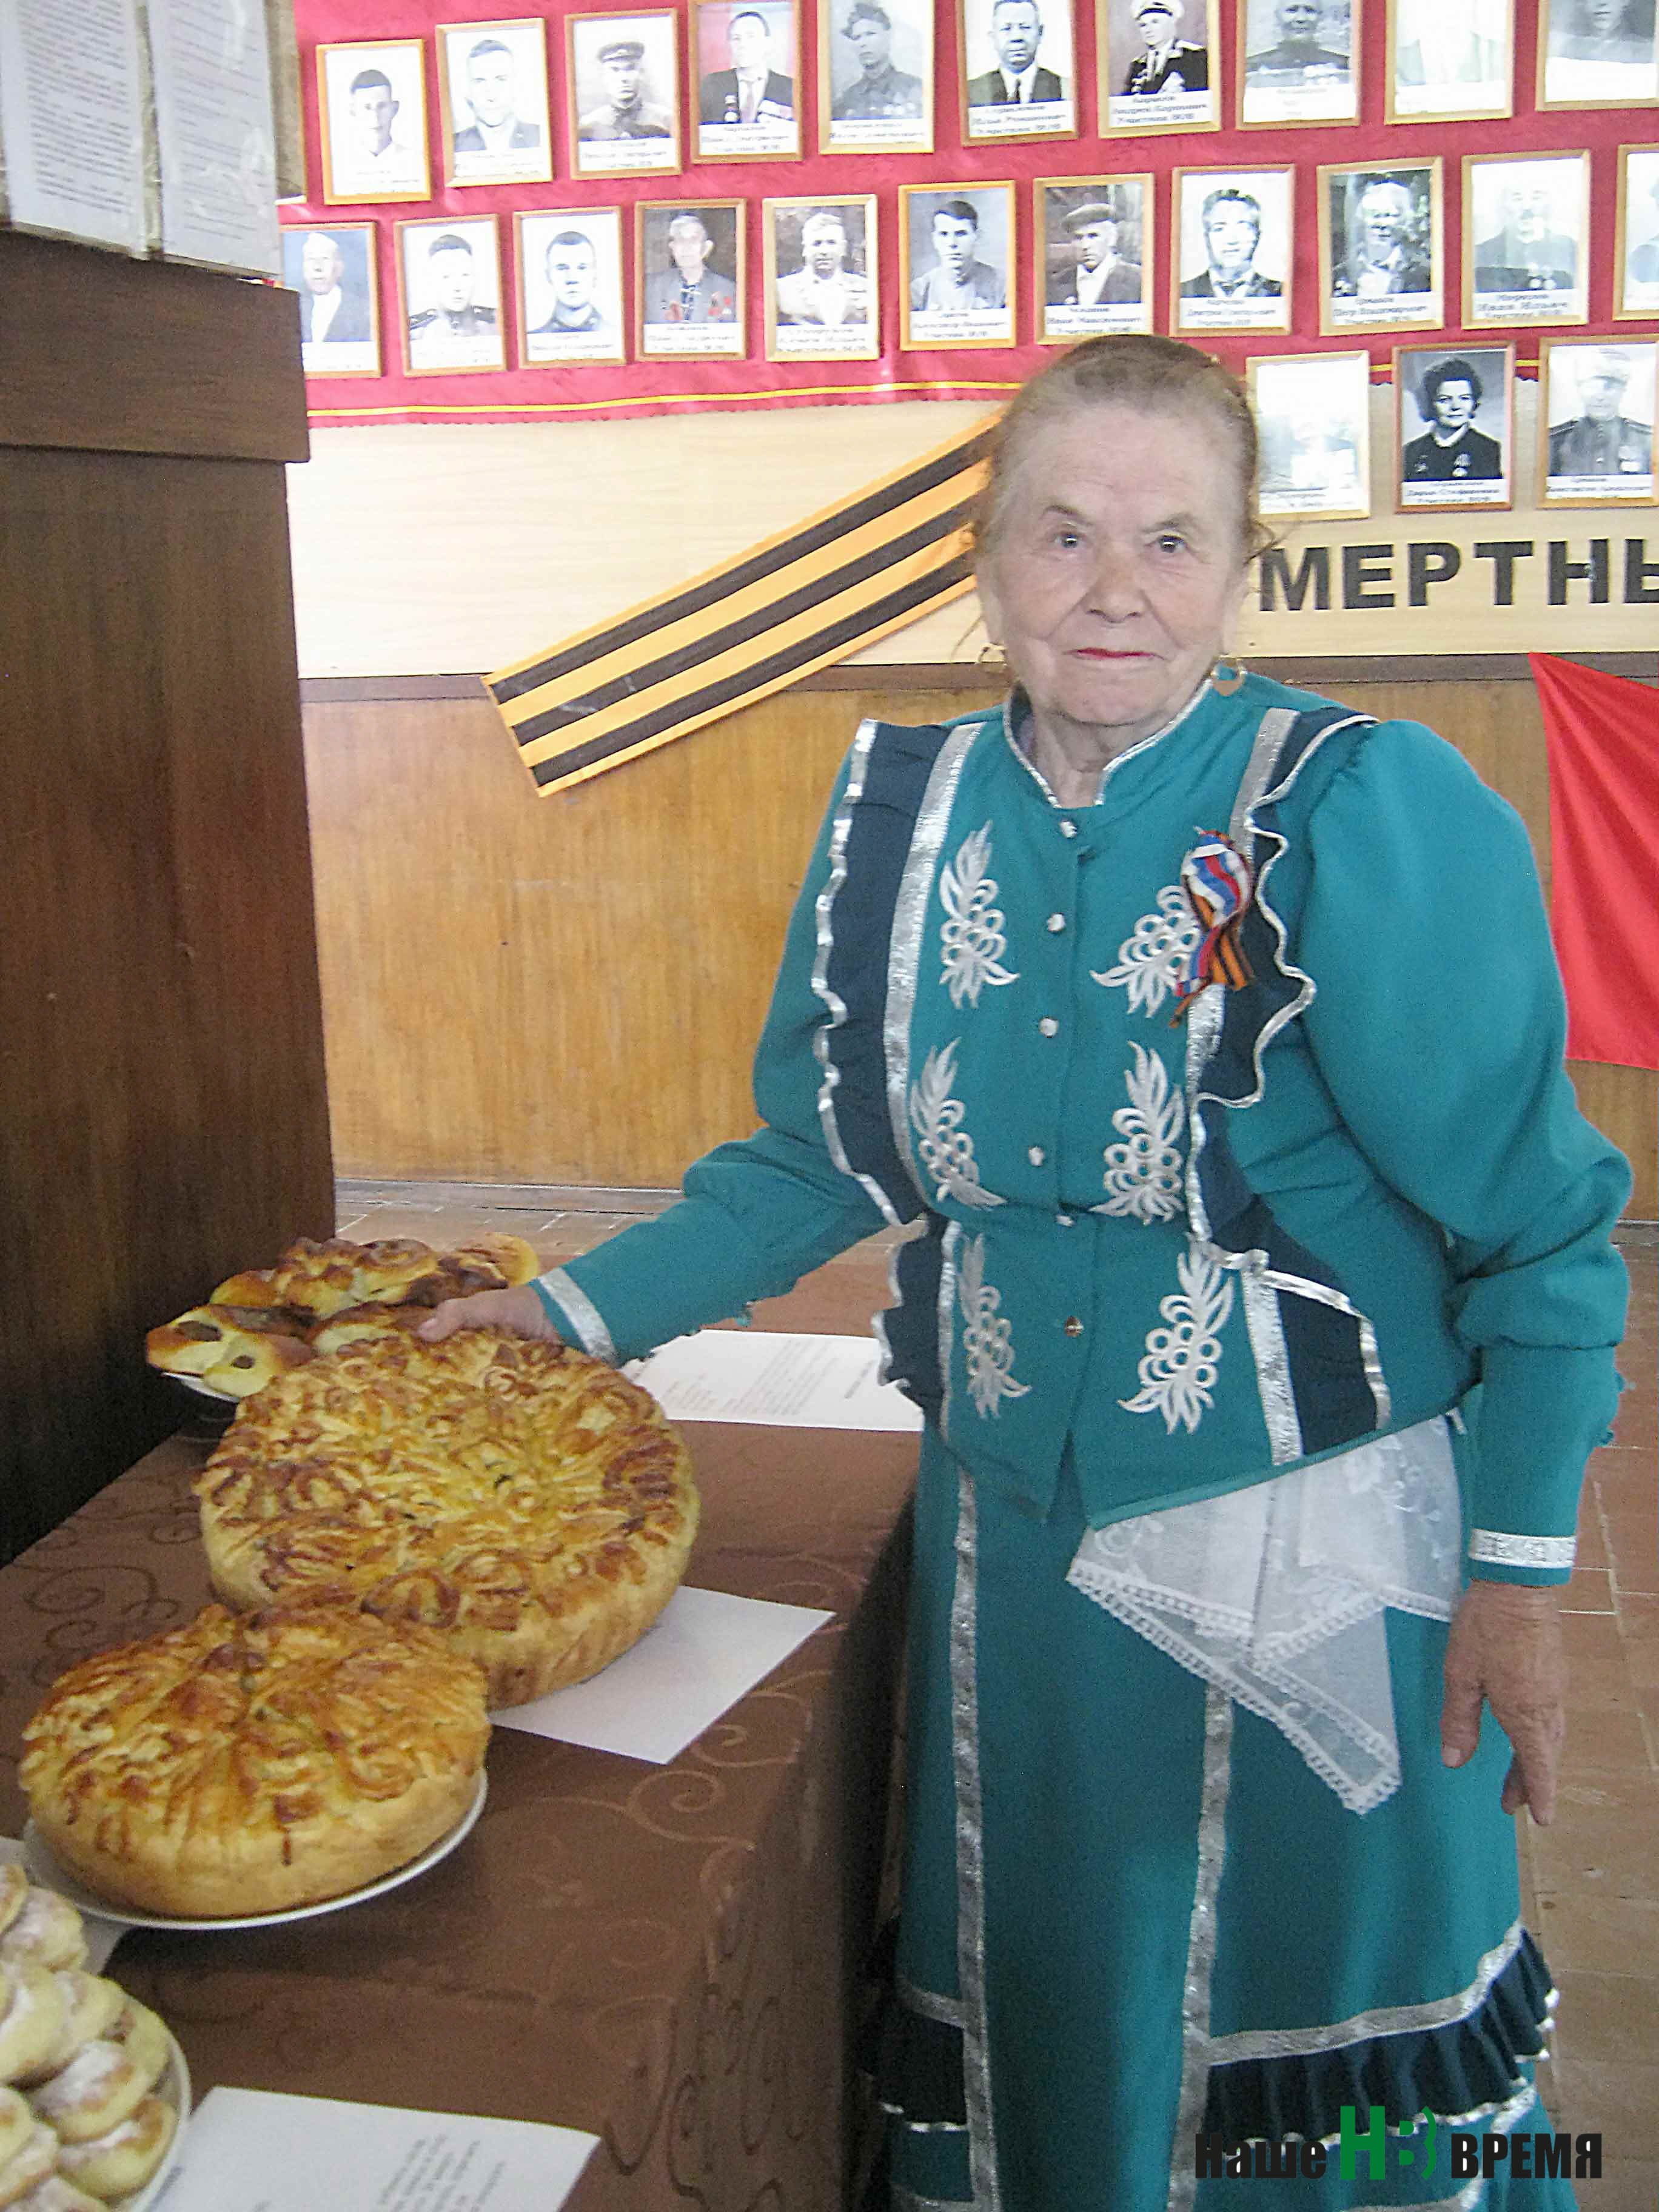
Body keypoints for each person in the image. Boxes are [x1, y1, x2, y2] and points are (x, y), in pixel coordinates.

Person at [420, 330, 1627, 2208]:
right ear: (985, 564)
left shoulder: (1365, 810)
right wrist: (573, 1311)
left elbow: (1542, 1227)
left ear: (1247, 568)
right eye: (1060, 536)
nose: (1114, 587)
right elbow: (823, 1152)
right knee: (1072, 2014)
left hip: (1313, 1559)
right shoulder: (903, 820)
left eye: (1170, 537)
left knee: (1312, 2055)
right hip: (1024, 1576)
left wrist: (1521, 1574)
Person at [1547, 350, 1654, 480]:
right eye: (1591, 387)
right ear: (1579, 389)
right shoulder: (1556, 440)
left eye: (1609, 388)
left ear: (1623, 390)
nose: (1600, 397)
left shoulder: (1647, 439)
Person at [1402, 357, 1504, 483]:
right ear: (1430, 403)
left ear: (1474, 402)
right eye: (1445, 399)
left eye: (1465, 398)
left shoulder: (1490, 449)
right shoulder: (1411, 452)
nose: (1456, 407)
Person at [1473, 175, 1578, 295]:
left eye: (1536, 198)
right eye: (1517, 199)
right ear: (1504, 205)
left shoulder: (1569, 249)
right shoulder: (1483, 254)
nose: (1527, 207)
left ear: (1548, 204)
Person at [1332, 174, 1431, 299]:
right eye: (1375, 215)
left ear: (1405, 221)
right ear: (1362, 219)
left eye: (1390, 215)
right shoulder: (1338, 275)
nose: (1381, 224)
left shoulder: (1424, 273)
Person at [1181, 186, 1283, 299]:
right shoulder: (1183, 292)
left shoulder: (1280, 292)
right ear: (1206, 237)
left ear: (1257, 235)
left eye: (1243, 228)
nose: (1231, 240)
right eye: (1219, 229)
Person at [407, 233, 497, 361]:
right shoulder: (415, 332)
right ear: (431, 281)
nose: (457, 288)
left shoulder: (496, 324)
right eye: (446, 277)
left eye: (465, 275)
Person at [774, 209, 870, 326]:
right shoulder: (781, 289)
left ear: (843, 248)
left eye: (831, 243)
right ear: (805, 249)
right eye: (817, 244)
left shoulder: (865, 287)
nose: (824, 251)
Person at [831, 1, 925, 119]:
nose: (863, 43)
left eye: (870, 34)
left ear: (888, 38)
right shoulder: (847, 100)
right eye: (857, 38)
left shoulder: (917, 90)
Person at [909, 199, 1006, 313]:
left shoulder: (1002, 286)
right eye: (944, 234)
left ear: (977, 237)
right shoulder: (919, 291)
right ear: (934, 240)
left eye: (961, 234)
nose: (952, 243)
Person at [699, 9, 794, 124]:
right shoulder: (711, 85)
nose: (743, 45)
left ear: (768, 43)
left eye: (751, 37)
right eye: (736, 38)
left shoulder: (791, 88)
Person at [451, 36, 541, 155]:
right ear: (468, 92)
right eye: (479, 81)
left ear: (517, 85)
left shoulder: (540, 137)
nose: (491, 95)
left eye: (501, 80)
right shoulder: (453, 145)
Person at [643, 212, 737, 323]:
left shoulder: (729, 290)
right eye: (680, 240)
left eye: (693, 240)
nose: (686, 248)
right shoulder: (651, 288)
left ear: (707, 248)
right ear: (672, 248)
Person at [1048, 198, 1142, 307]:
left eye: (1093, 236)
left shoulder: (1137, 279)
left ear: (1112, 239)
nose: (1085, 246)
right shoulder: (1057, 282)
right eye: (1078, 238)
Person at [967, 0, 1064, 104]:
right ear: (993, 37)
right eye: (1006, 29)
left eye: (1025, 27)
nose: (1016, 37)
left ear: (1040, 33)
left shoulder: (1065, 88)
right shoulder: (971, 92)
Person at [577, 36, 674, 139]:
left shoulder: (665, 119)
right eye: (614, 70)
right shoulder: (589, 123)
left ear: (642, 74)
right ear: (604, 78)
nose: (623, 78)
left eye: (630, 69)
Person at [1244, 0, 1349, 85]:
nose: (1301, 18)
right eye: (1292, 10)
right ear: (1278, 16)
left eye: (1309, 11)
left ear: (1320, 17)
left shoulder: (1341, 65)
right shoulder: (1254, 66)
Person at [296, 230, 370, 344]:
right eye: (311, 259)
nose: (317, 267)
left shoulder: (362, 310)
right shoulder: (293, 307)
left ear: (339, 267)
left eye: (325, 259)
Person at [1121, 0, 1210, 94]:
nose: (1148, 30)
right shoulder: (1138, 64)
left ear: (1172, 21)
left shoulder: (1194, 55)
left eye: (1155, 22)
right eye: (1143, 25)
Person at [532, 231, 609, 336]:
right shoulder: (535, 339)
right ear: (548, 276)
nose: (572, 279)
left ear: (595, 274)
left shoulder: (617, 336)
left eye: (582, 268)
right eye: (562, 268)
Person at [1547, 0, 1653, 64]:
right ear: (1582, 2)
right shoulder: (1567, 50)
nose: (1602, 3)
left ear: (1625, 1)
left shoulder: (1645, 52)